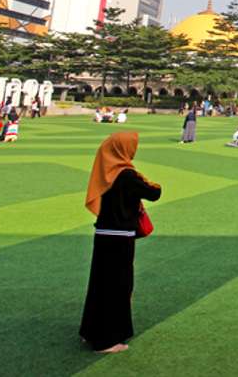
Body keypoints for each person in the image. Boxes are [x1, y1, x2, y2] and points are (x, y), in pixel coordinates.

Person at [79, 132, 162, 353]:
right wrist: (143, 177)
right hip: (120, 237)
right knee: (118, 286)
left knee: (100, 283)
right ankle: (106, 340)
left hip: (103, 234)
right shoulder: (126, 175)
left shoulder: (105, 172)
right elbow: (155, 193)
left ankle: (90, 331)